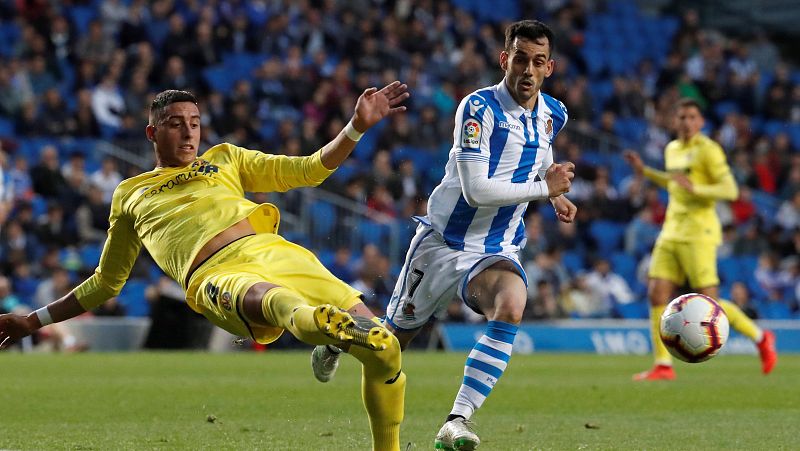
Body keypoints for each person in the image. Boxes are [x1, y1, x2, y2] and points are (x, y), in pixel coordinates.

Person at [0, 85, 410, 451]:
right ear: (152, 133)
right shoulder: (130, 194)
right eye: (175, 124)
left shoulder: (225, 158)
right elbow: (107, 282)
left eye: (194, 123)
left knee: (385, 350)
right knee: (274, 301)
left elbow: (310, 169)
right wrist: (33, 322)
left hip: (277, 252)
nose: (188, 132)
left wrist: (355, 126)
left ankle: (335, 345)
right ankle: (324, 326)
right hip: (216, 275)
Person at [313, 20, 577, 450]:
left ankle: (457, 420)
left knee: (511, 304)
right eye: (521, 59)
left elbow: (538, 156)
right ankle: (342, 335)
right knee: (389, 345)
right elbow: (476, 191)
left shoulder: (555, 115)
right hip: (442, 243)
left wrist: (551, 195)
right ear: (504, 59)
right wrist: (544, 189)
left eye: (539, 61)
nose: (529, 69)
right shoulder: (478, 109)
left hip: (495, 248)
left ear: (550, 67)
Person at [624, 98, 777, 381]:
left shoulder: (708, 150)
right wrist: (644, 172)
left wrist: (698, 188)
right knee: (657, 292)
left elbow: (730, 190)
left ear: (701, 122)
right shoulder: (672, 149)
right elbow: (674, 183)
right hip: (672, 230)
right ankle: (663, 365)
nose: (686, 122)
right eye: (681, 117)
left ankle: (761, 337)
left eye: (692, 117)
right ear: (674, 121)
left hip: (699, 233)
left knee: (710, 302)